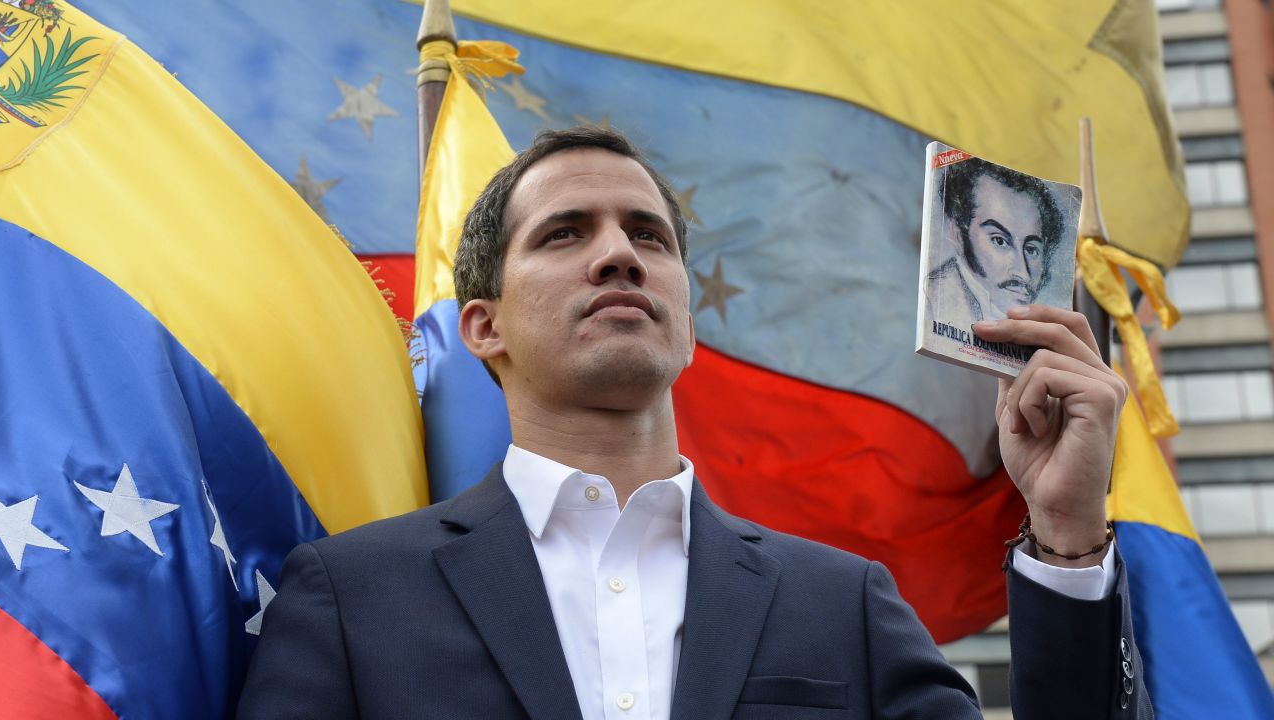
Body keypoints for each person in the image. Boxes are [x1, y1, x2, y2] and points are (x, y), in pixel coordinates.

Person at [239, 127, 1150, 719]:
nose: (616, 256)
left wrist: (1068, 539)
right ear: (483, 326)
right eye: (564, 234)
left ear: (687, 320)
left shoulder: (846, 606)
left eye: (648, 235)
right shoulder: (350, 601)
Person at [926, 157, 1066, 323]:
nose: (1023, 273)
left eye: (1030, 249)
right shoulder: (931, 302)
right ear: (958, 235)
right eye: (999, 241)